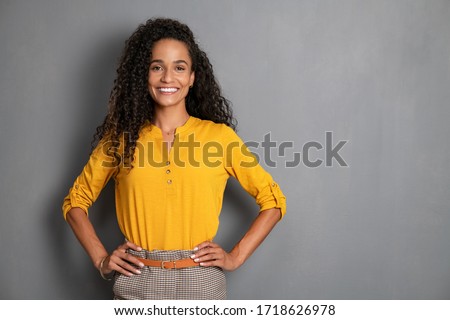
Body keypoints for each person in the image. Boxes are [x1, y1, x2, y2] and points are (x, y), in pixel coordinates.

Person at [62, 17, 286, 300]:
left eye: (179, 68)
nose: (168, 78)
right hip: (137, 282)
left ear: (192, 77)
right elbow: (75, 202)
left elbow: (273, 200)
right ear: (144, 75)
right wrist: (101, 260)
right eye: (157, 67)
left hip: (201, 283)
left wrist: (235, 257)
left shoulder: (219, 138)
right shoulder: (120, 139)